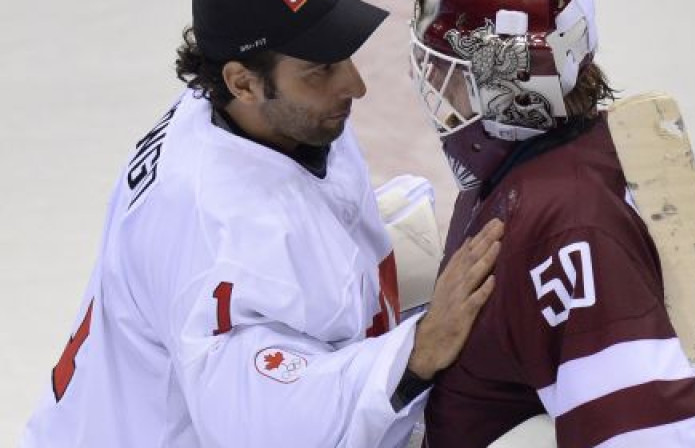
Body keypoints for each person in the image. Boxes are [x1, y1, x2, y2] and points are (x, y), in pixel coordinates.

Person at [20, 0, 504, 447]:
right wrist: (416, 350)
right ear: (243, 82)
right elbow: (266, 428)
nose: (355, 85)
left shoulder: (257, 117)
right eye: (321, 70)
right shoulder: (224, 235)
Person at [408, 0, 695, 446]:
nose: (432, 78)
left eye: (448, 66)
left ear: (507, 79)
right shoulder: (564, 161)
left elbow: (659, 437)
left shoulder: (564, 227)